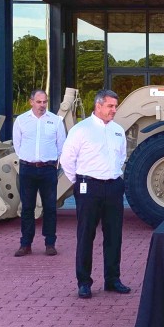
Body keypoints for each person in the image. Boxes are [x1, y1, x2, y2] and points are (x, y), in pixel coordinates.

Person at [60, 89, 130, 299]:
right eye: (110, 106)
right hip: (89, 187)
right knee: (85, 236)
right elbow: (66, 160)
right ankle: (84, 282)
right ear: (98, 106)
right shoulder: (81, 130)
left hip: (114, 187)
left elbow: (122, 157)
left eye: (115, 106)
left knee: (114, 236)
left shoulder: (118, 130)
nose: (114, 110)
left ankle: (112, 279)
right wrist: (80, 181)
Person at [11, 89, 66, 257]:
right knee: (27, 208)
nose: (42, 105)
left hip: (48, 169)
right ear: (31, 102)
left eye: (45, 102)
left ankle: (50, 243)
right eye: (39, 102)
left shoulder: (56, 121)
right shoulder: (21, 121)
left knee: (50, 208)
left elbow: (61, 145)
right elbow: (17, 145)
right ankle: (25, 244)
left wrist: (52, 162)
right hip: (27, 169)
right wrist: (28, 159)